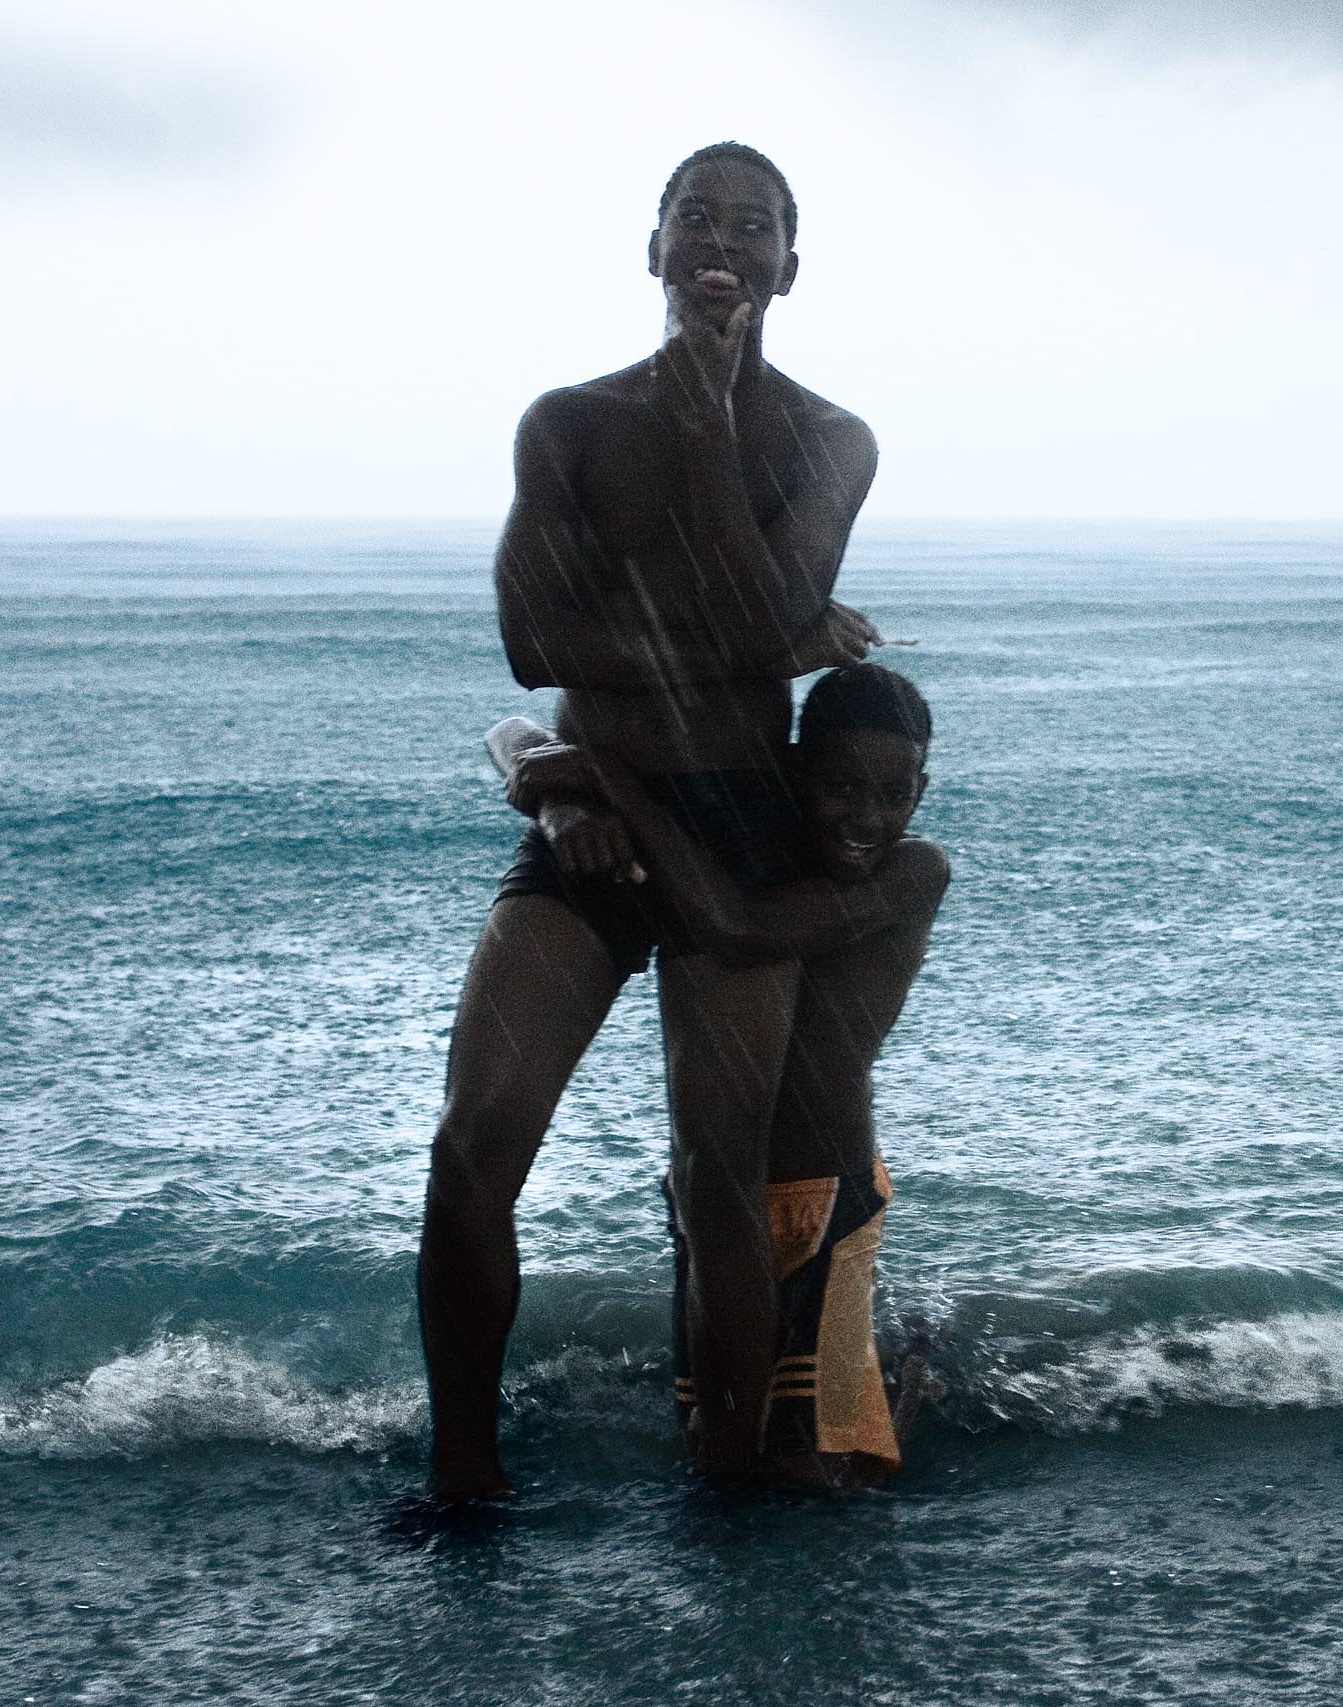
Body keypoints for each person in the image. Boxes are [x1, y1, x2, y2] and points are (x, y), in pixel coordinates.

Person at [417, 142, 881, 1499]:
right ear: (655, 248)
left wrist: (707, 426)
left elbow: (745, 621)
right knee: (473, 1142)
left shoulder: (829, 439)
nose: (720, 241)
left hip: (740, 823)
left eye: (752, 226)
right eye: (696, 218)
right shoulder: (566, 421)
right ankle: (464, 1478)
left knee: (716, 1172)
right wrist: (583, 763)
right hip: (595, 821)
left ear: (791, 267)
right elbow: (526, 638)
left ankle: (729, 1485)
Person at [495, 663, 948, 1486]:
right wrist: (560, 788)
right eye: (842, 785)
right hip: (715, 1196)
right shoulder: (751, 851)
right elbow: (510, 734)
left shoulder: (914, 870)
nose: (868, 816)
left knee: (818, 1469)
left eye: (894, 792)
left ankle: (905, 1380)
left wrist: (613, 785)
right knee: (710, 1431)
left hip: (820, 1199)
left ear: (923, 789)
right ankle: (883, 1374)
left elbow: (739, 930)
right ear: (795, 771)